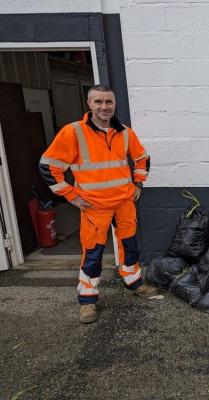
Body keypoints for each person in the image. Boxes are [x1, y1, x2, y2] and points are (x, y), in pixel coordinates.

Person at [39, 84, 158, 323]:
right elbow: (48, 167)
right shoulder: (73, 132)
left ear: (114, 104)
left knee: (130, 246)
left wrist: (137, 185)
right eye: (98, 102)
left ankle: (134, 282)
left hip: (124, 202)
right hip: (94, 206)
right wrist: (71, 196)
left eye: (108, 102)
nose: (104, 107)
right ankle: (87, 300)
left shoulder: (124, 132)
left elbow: (142, 159)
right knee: (93, 254)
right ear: (89, 105)